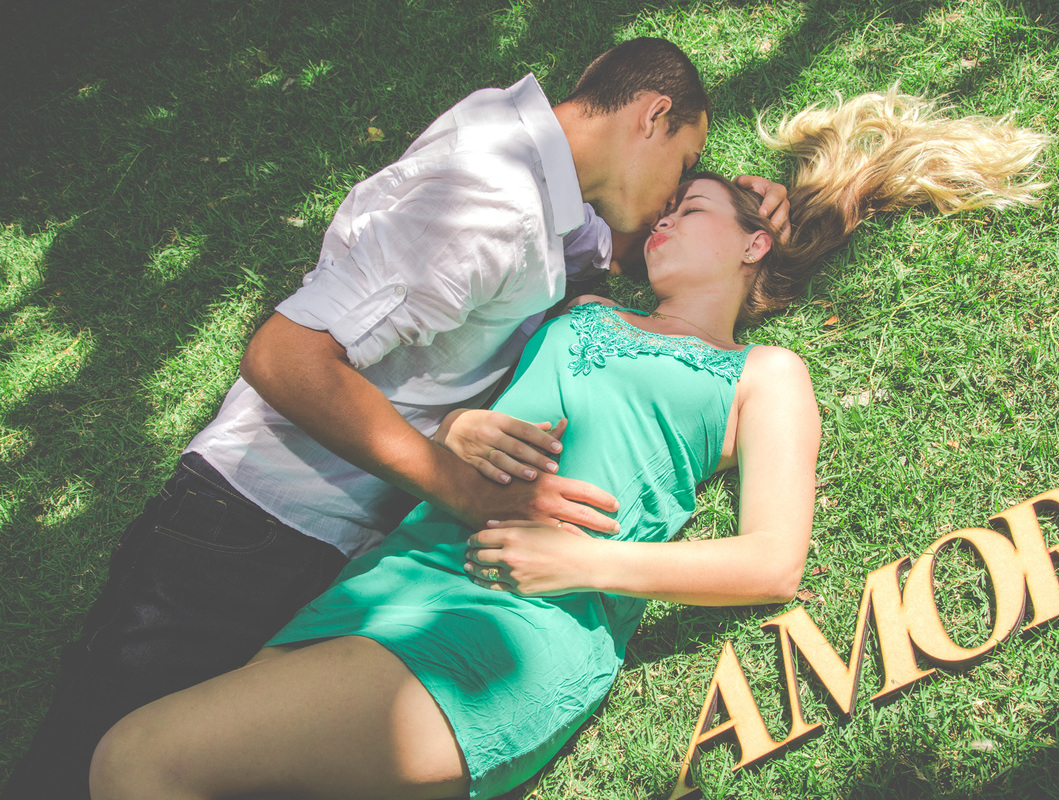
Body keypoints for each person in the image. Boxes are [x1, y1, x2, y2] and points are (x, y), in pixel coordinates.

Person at [89, 88, 1050, 800]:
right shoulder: (579, 305)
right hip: (389, 580)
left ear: (755, 245)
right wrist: (456, 426)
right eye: (668, 208)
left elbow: (772, 561)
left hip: (513, 625)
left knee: (140, 761)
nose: (664, 220)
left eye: (692, 211)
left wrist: (584, 562)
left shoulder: (766, 374)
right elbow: (450, 392)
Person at [3, 37, 794, 800]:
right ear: (652, 117)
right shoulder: (491, 198)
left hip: (384, 564)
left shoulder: (541, 183)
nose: (664, 210)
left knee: (157, 763)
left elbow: (620, 250)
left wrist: (764, 216)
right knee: (94, 769)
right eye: (683, 170)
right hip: (260, 524)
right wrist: (458, 468)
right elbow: (287, 357)